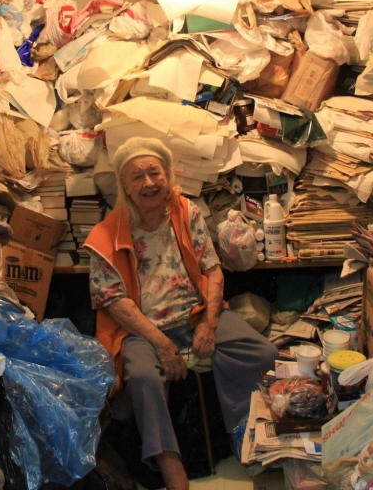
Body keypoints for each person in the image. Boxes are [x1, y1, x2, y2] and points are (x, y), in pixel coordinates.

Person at [83, 137, 278, 490]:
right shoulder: (105, 236)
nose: (149, 183)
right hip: (143, 329)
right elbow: (116, 303)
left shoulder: (186, 212)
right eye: (137, 177)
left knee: (261, 352)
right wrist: (161, 344)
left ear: (167, 174)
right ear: (123, 186)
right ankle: (168, 461)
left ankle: (242, 432)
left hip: (194, 313)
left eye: (154, 173)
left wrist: (209, 323)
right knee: (143, 378)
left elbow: (213, 270)